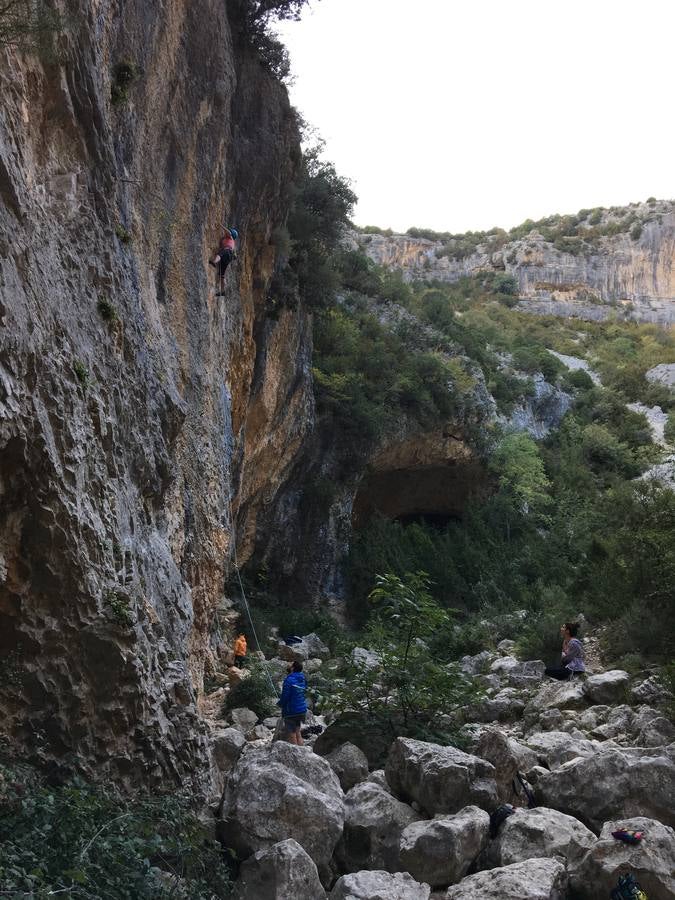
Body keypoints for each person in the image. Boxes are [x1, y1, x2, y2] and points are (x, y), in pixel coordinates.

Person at [277, 661, 307, 745]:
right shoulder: (303, 678)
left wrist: (280, 704)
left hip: (291, 711)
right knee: (298, 732)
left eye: (290, 664)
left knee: (292, 734)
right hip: (302, 710)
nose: (289, 665)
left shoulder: (289, 680)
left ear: (293, 668)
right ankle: (303, 752)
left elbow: (285, 696)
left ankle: (296, 756)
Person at [209, 226, 238, 296]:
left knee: (220, 254)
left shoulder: (231, 238)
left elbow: (229, 233)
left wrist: (221, 225)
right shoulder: (229, 241)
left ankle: (214, 262)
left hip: (227, 251)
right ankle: (222, 291)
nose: (226, 233)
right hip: (229, 256)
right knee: (222, 275)